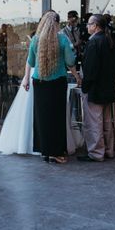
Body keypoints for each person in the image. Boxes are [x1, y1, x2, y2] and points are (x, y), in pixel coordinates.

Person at [20, 10, 79, 164]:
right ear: (57, 24)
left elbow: (30, 61)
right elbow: (70, 61)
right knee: (57, 117)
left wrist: (26, 79)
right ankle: (56, 152)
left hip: (39, 83)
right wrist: (78, 76)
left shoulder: (36, 40)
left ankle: (45, 151)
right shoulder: (63, 39)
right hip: (57, 83)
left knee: (42, 117)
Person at [78, 13, 115, 162]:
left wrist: (85, 86)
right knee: (107, 121)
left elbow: (90, 70)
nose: (87, 26)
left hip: (95, 89)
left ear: (95, 26)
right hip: (108, 88)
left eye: (89, 24)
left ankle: (96, 153)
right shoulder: (110, 41)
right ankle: (108, 150)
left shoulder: (94, 42)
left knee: (94, 122)